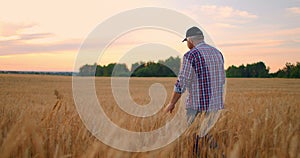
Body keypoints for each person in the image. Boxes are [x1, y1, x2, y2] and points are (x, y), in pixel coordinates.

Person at [164, 26, 225, 155]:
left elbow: (182, 83)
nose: (187, 44)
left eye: (186, 41)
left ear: (190, 40)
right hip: (215, 105)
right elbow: (222, 79)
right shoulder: (218, 53)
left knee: (193, 137)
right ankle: (219, 153)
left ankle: (206, 153)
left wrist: (172, 103)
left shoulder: (190, 55)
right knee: (204, 133)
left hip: (197, 105)